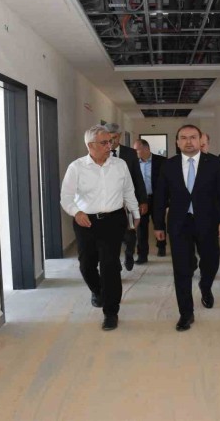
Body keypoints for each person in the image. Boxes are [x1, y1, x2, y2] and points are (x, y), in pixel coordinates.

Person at [60, 125, 141, 331]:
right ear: (90, 145)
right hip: (86, 222)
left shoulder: (120, 165)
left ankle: (111, 312)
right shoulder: (76, 167)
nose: (109, 146)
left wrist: (135, 213)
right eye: (104, 143)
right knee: (86, 265)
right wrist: (76, 212)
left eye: (110, 142)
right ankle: (98, 291)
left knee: (109, 265)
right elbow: (66, 197)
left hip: (114, 220)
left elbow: (128, 191)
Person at [154, 125, 220, 331]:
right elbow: (160, 196)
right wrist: (158, 224)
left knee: (211, 261)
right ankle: (186, 313)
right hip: (179, 223)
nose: (188, 141)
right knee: (181, 268)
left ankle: (205, 286)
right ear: (177, 142)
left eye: (193, 137)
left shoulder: (214, 163)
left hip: (208, 221)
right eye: (183, 138)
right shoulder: (168, 165)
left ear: (200, 140)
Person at [104, 123, 148, 271]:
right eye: (108, 138)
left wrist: (143, 200)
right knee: (112, 235)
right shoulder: (102, 152)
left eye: (114, 137)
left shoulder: (130, 153)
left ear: (120, 136)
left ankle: (129, 254)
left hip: (128, 200)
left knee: (130, 232)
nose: (111, 142)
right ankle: (115, 262)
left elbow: (138, 178)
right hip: (109, 202)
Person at [132, 139, 167, 264]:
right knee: (141, 228)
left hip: (157, 199)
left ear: (146, 149)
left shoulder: (161, 161)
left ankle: (161, 246)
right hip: (141, 200)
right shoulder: (134, 163)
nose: (135, 152)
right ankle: (142, 255)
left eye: (137, 149)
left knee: (159, 223)